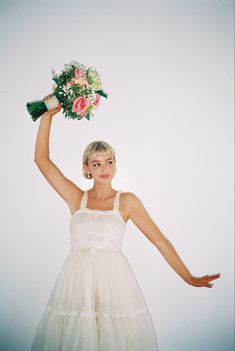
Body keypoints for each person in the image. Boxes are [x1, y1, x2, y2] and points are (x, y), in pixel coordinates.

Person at [31, 103, 221, 351]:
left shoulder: (127, 201)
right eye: (96, 163)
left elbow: (160, 241)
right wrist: (46, 116)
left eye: (108, 162)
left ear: (115, 164)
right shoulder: (77, 198)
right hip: (76, 282)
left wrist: (188, 278)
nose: (104, 168)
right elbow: (41, 160)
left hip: (114, 284)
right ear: (86, 169)